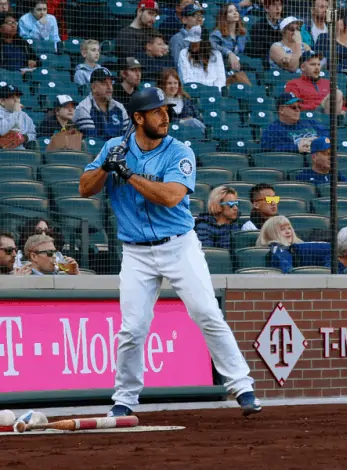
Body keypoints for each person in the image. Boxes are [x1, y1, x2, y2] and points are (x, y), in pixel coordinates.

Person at [79, 87, 262, 418]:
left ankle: (242, 386)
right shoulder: (113, 148)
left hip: (178, 244)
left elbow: (169, 197)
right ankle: (124, 399)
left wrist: (128, 174)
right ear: (137, 118)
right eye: (157, 111)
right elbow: (84, 188)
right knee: (132, 328)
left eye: (167, 110)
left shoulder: (179, 151)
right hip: (135, 252)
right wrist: (107, 166)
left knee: (206, 311)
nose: (165, 116)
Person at [260, 91, 329, 152]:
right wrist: (296, 148)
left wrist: (317, 140)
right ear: (281, 110)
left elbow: (329, 135)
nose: (297, 110)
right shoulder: (273, 130)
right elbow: (268, 148)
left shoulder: (311, 123)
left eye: (299, 107)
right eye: (293, 107)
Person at [74, 68, 131, 141]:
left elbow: (127, 137)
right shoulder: (83, 108)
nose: (109, 87)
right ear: (93, 87)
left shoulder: (119, 107)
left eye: (111, 83)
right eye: (104, 83)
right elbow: (92, 141)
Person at [256, 215, 331, 271]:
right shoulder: (277, 249)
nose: (288, 232)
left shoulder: (302, 247)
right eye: (282, 229)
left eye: (289, 228)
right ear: (271, 233)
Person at [284, 50, 346, 115]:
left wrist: (343, 110)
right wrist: (316, 107)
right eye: (313, 64)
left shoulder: (328, 83)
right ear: (303, 67)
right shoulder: (293, 84)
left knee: (337, 93)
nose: (317, 68)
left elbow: (343, 104)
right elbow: (293, 105)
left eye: (318, 64)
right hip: (309, 115)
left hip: (329, 114)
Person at [178, 26, 227, 91]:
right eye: (191, 41)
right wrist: (206, 88)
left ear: (204, 42)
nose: (192, 43)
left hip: (214, 94)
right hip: (194, 93)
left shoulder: (217, 55)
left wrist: (213, 91)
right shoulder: (184, 53)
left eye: (196, 41)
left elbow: (221, 80)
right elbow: (186, 79)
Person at [194, 185, 244, 250]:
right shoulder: (203, 226)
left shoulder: (237, 225)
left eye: (236, 204)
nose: (236, 208)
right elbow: (208, 253)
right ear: (218, 205)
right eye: (231, 204)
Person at [158, 68, 205, 132]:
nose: (173, 86)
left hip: (190, 135)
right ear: (163, 84)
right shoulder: (158, 101)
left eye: (175, 83)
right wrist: (182, 121)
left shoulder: (186, 100)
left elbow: (198, 118)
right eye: (169, 83)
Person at [210, 3, 247, 75]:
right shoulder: (217, 34)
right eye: (230, 11)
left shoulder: (242, 34)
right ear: (224, 16)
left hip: (238, 69)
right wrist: (228, 53)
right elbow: (211, 46)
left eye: (236, 10)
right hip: (220, 70)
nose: (235, 13)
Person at [0, 83, 35, 150]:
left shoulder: (24, 116)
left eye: (18, 97)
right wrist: (16, 113)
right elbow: (2, 130)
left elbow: (33, 134)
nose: (17, 101)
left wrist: (25, 137)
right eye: (12, 98)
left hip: (21, 154)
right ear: (2, 101)